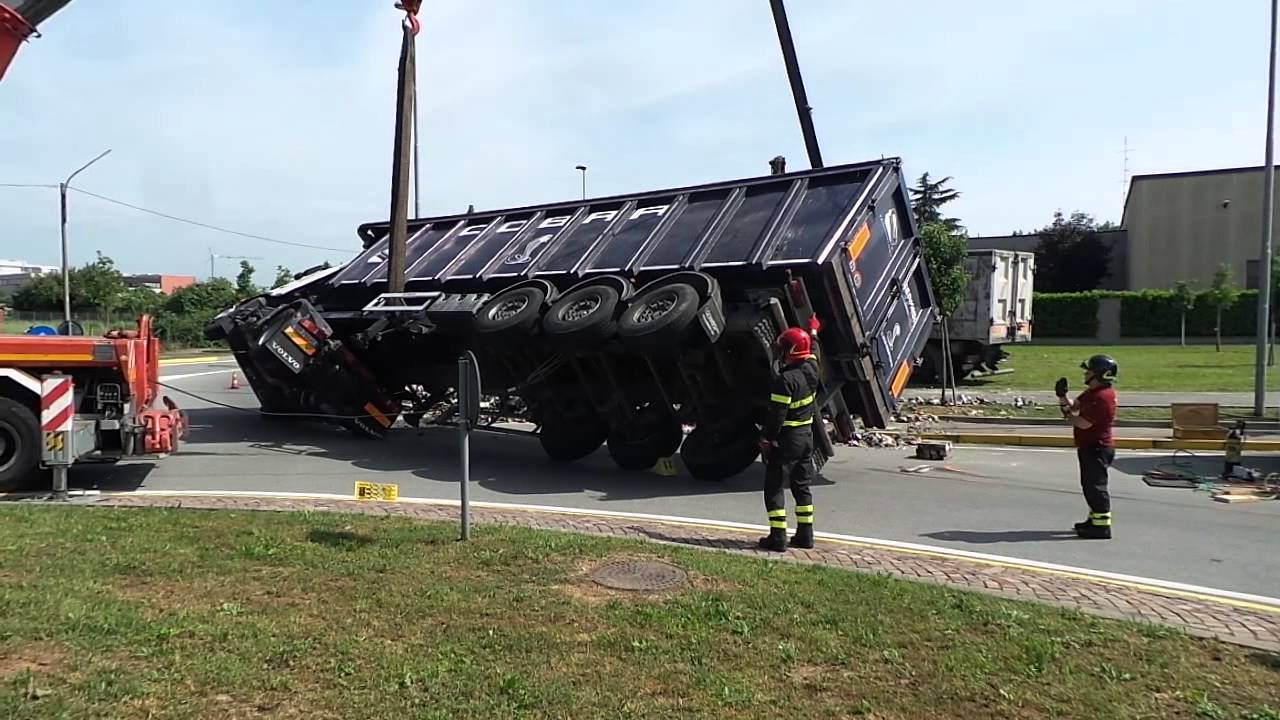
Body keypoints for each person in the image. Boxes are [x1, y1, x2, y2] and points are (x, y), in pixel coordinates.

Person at [758, 327, 821, 552]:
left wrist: (766, 439)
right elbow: (814, 351)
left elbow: (777, 415)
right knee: (801, 486)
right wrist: (813, 332)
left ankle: (778, 537)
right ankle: (806, 535)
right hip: (807, 438)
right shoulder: (812, 369)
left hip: (787, 439)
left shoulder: (785, 380)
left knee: (774, 487)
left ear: (790, 350)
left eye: (784, 348)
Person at [1056, 354, 1119, 540]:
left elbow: (1083, 422)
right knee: (1089, 486)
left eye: (1088, 371)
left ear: (1098, 374)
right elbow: (1075, 406)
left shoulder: (1102, 397)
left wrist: (1067, 414)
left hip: (1097, 447)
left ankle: (1102, 528)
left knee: (1095, 487)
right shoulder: (1092, 393)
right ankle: (1094, 521)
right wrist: (1062, 397)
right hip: (1089, 446)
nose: (1085, 374)